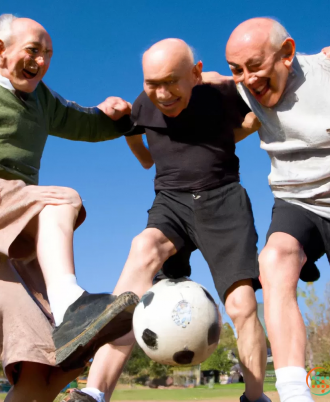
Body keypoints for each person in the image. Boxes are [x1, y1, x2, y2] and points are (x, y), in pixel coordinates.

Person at [0, 14, 139, 402]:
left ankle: (65, 325)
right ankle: (70, 303)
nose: (41, 61)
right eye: (32, 51)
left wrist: (125, 120)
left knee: (46, 363)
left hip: (12, 225)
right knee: (61, 199)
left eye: (48, 54)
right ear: (0, 51)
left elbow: (85, 122)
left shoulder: (43, 100)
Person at [68, 38, 270, 402]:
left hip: (222, 200)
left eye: (172, 81)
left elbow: (263, 87)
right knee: (142, 248)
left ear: (195, 73)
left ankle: (256, 398)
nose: (162, 93)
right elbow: (138, 139)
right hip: (172, 202)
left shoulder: (224, 94)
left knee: (242, 305)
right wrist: (138, 145)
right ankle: (93, 393)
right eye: (152, 83)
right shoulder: (144, 105)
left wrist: (248, 123)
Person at [224, 18, 330, 402]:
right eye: (236, 70)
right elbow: (192, 80)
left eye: (255, 66)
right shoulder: (244, 87)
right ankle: (293, 391)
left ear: (288, 54)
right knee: (274, 259)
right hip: (296, 200)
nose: (248, 79)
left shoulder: (329, 71)